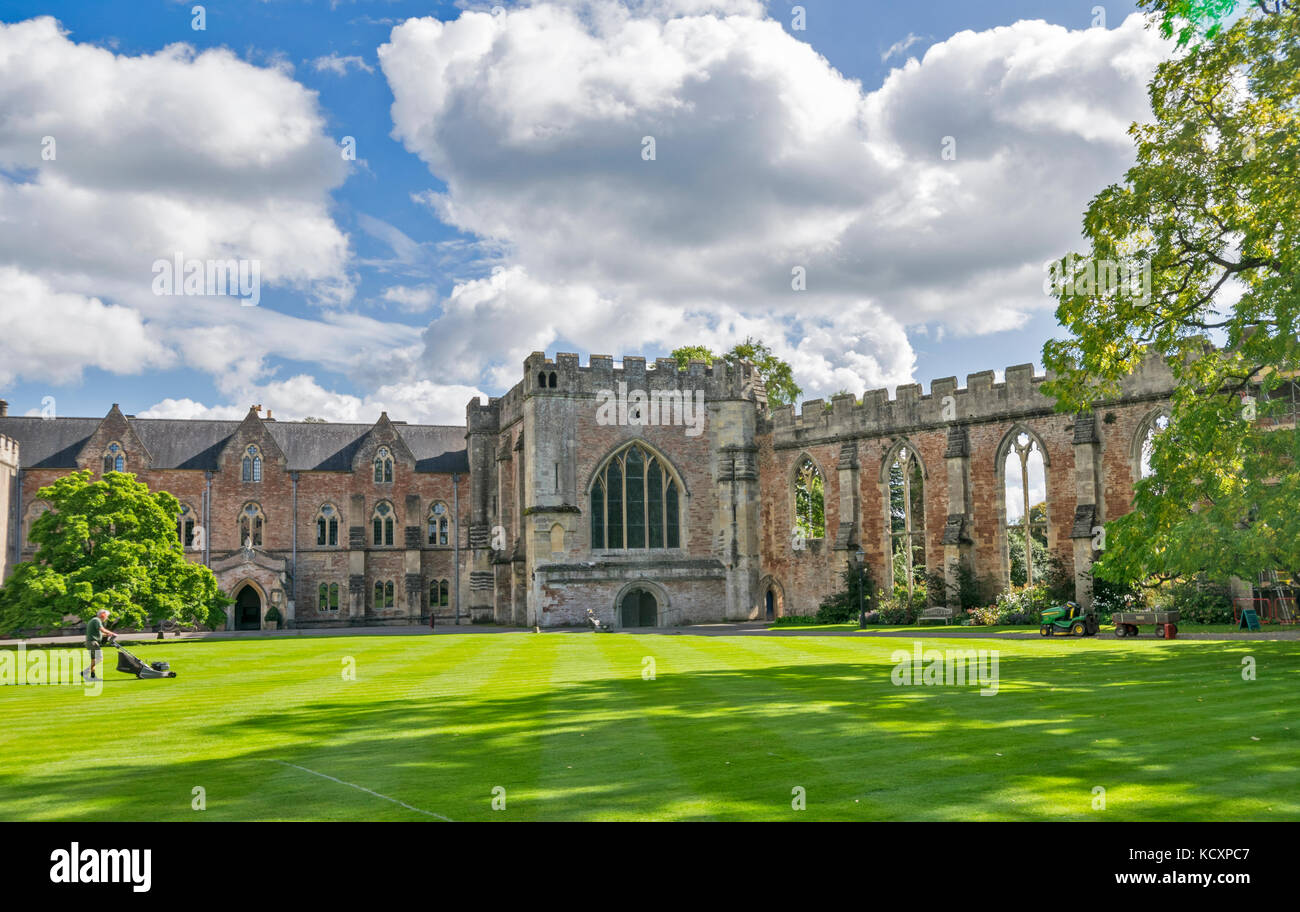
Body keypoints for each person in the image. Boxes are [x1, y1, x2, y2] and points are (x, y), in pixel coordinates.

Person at [82, 609, 117, 683]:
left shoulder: (94, 620)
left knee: (93, 660)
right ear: (103, 615)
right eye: (107, 616)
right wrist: (113, 633)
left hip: (89, 643)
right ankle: (85, 672)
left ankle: (93, 676)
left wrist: (107, 634)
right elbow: (102, 630)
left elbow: (100, 633)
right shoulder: (96, 620)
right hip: (93, 643)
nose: (107, 618)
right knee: (100, 658)